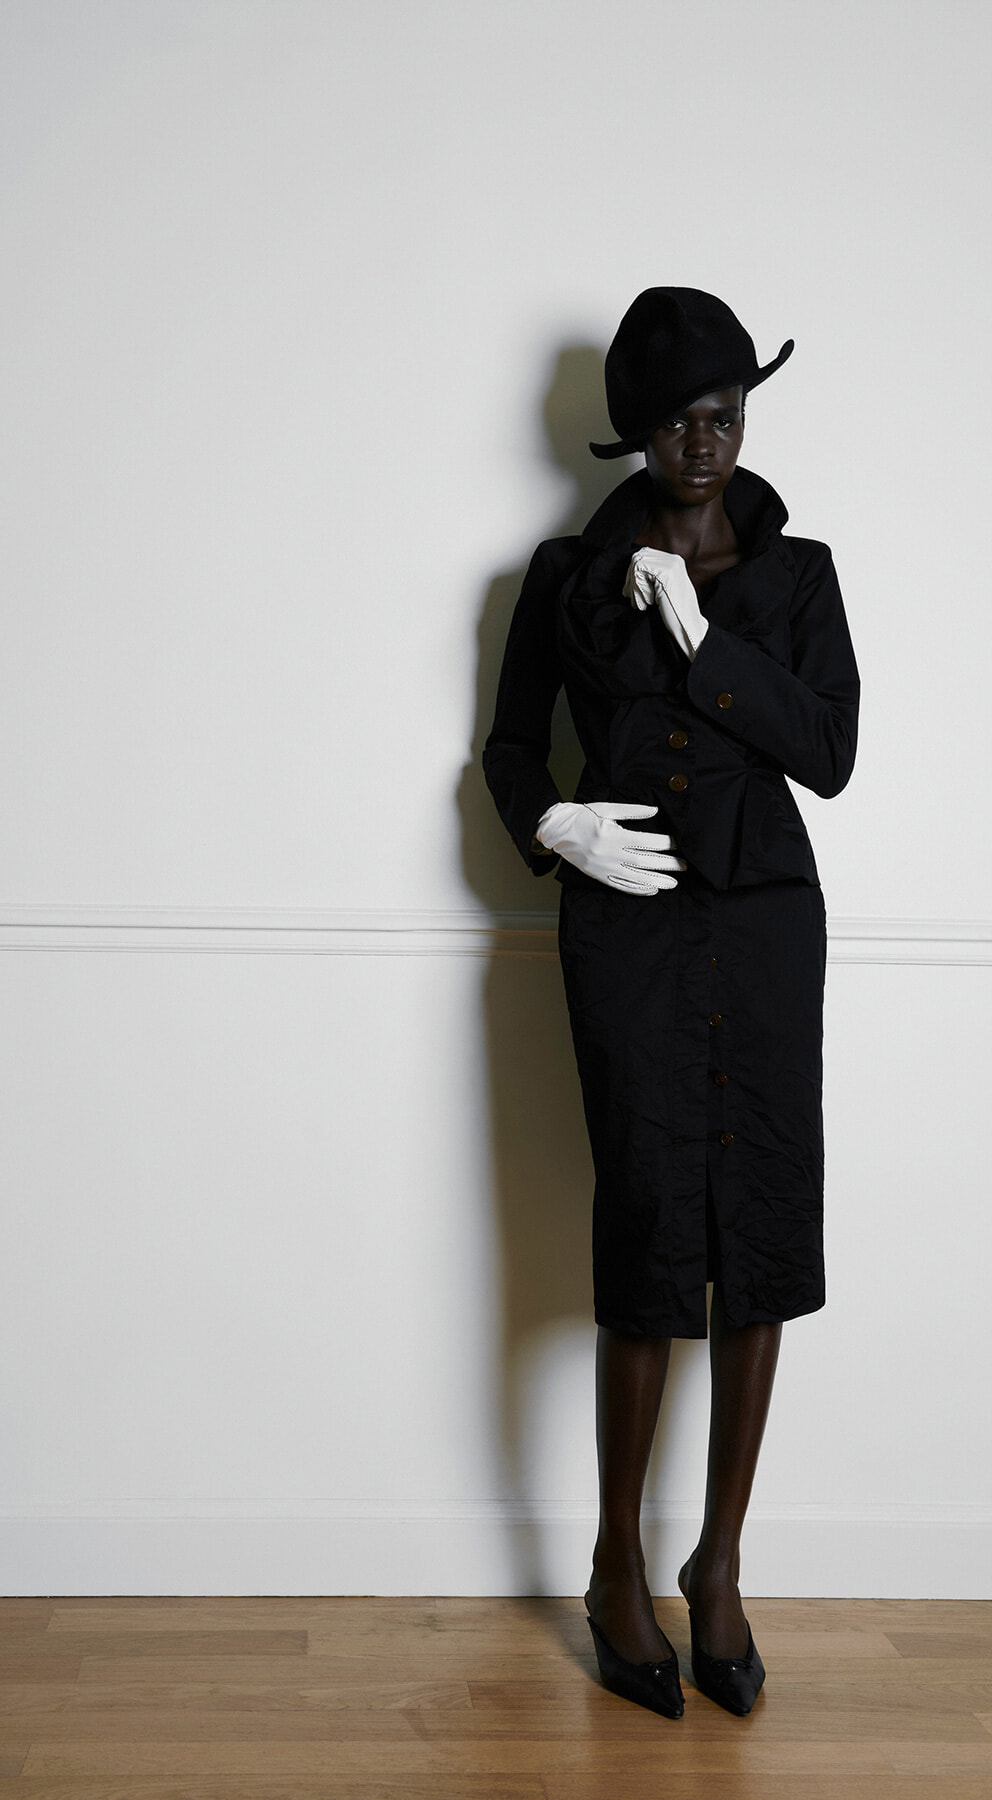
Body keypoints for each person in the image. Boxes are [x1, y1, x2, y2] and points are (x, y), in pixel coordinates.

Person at [483, 288, 860, 1719]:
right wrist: (555, 828)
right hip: (626, 933)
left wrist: (704, 637)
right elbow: (512, 745)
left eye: (727, 416)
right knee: (647, 1225)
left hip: (765, 926)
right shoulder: (563, 575)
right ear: (637, 431)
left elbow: (828, 751)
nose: (707, 443)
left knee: (758, 1227)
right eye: (679, 420)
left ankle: (718, 1568)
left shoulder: (800, 575)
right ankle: (612, 1563)